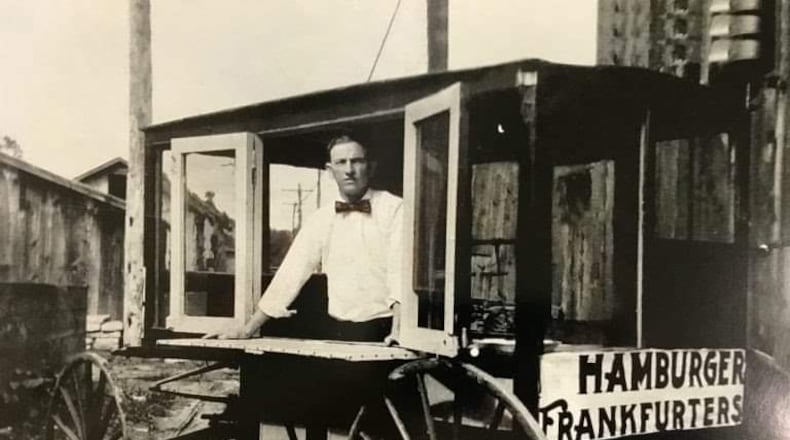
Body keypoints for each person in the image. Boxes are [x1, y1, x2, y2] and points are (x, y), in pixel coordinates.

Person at [206, 134, 402, 344]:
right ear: (330, 171)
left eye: (357, 161)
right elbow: (291, 272)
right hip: (339, 331)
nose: (349, 170)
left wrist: (398, 331)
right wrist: (247, 329)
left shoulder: (394, 208)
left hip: (387, 329)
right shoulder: (321, 218)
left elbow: (399, 273)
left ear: (370, 167)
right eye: (341, 162)